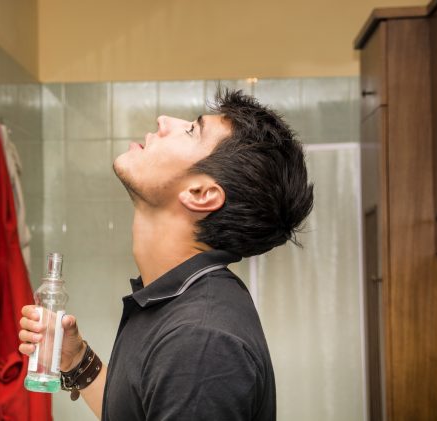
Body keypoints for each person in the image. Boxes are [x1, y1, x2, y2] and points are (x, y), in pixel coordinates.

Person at [19, 88, 314, 420]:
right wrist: (76, 360)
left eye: (191, 130)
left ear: (201, 194)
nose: (163, 121)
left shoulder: (201, 342)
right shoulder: (177, 303)